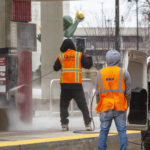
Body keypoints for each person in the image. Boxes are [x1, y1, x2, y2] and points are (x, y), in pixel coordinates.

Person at [53, 39, 93, 131]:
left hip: (65, 86)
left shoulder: (61, 56)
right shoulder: (79, 55)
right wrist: (89, 57)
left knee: (63, 106)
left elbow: (55, 68)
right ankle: (87, 124)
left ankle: (64, 124)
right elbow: (88, 65)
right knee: (83, 105)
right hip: (76, 86)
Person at [95, 50, 131, 150]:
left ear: (107, 60)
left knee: (103, 131)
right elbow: (128, 93)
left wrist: (100, 105)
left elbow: (97, 94)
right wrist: (127, 104)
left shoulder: (100, 73)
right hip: (120, 107)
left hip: (105, 107)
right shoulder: (124, 73)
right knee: (122, 131)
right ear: (119, 60)